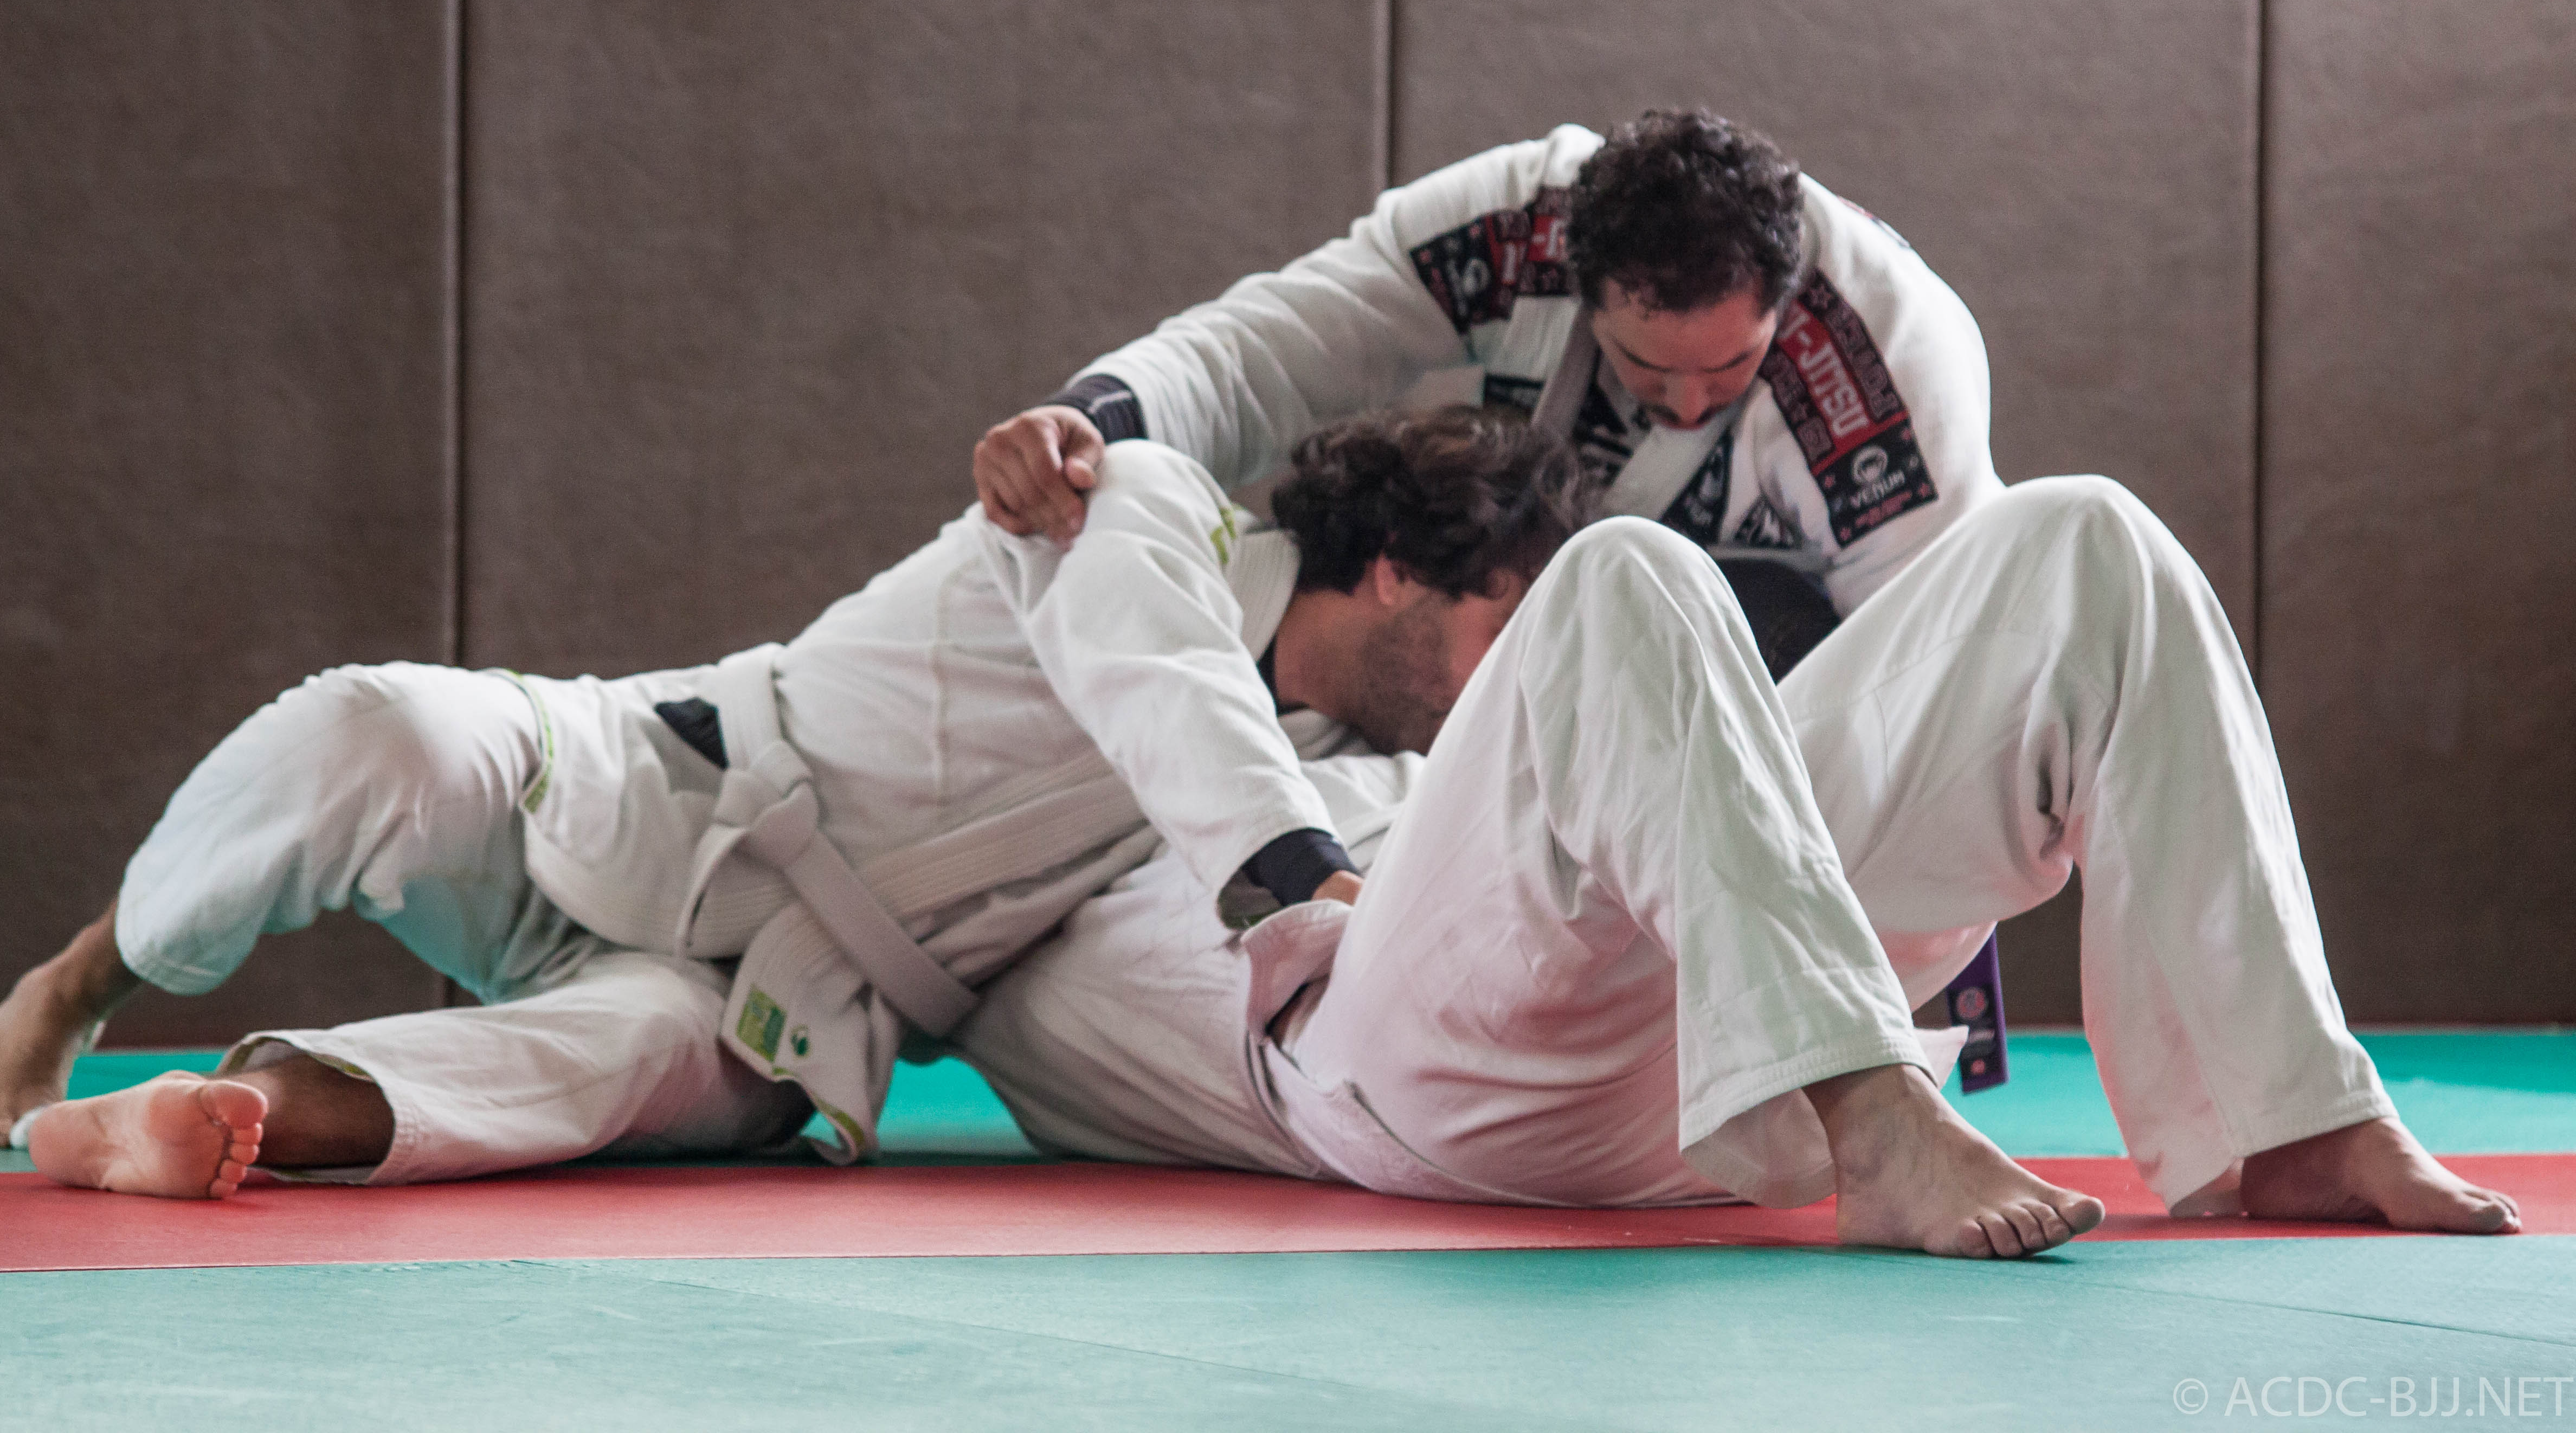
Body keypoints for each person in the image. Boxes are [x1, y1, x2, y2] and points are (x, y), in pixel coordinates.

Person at [0, 407, 1588, 1199]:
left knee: (601, 1078)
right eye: (1502, 629)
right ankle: (82, 983)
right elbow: (1164, 681)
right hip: (650, 780)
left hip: (793, 1002)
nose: (1496, 689)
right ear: (1401, 567)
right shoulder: (1145, 504)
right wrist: (1304, 882)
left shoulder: (1353, 764)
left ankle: (242, 1114)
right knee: (385, 731)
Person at [951, 479, 2523, 1259]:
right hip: (1422, 1066)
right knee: (1623, 571)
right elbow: (1048, 1022)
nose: (1492, 658)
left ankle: (2290, 1117)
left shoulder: (1447, 757)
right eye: (1482, 616)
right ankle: (1873, 1116)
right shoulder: (1075, 871)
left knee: (2086, 539)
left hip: (1708, 1031)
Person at [974, 107, 1999, 677]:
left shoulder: (1894, 373)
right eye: (1648, 369)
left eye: (1728, 370)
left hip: (1788, 678)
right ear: (1582, 287)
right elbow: (1269, 350)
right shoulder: (1513, 229)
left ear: (1783, 300)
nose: (1689, 405)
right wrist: (1094, 420)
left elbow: (1932, 675)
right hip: (1513, 664)